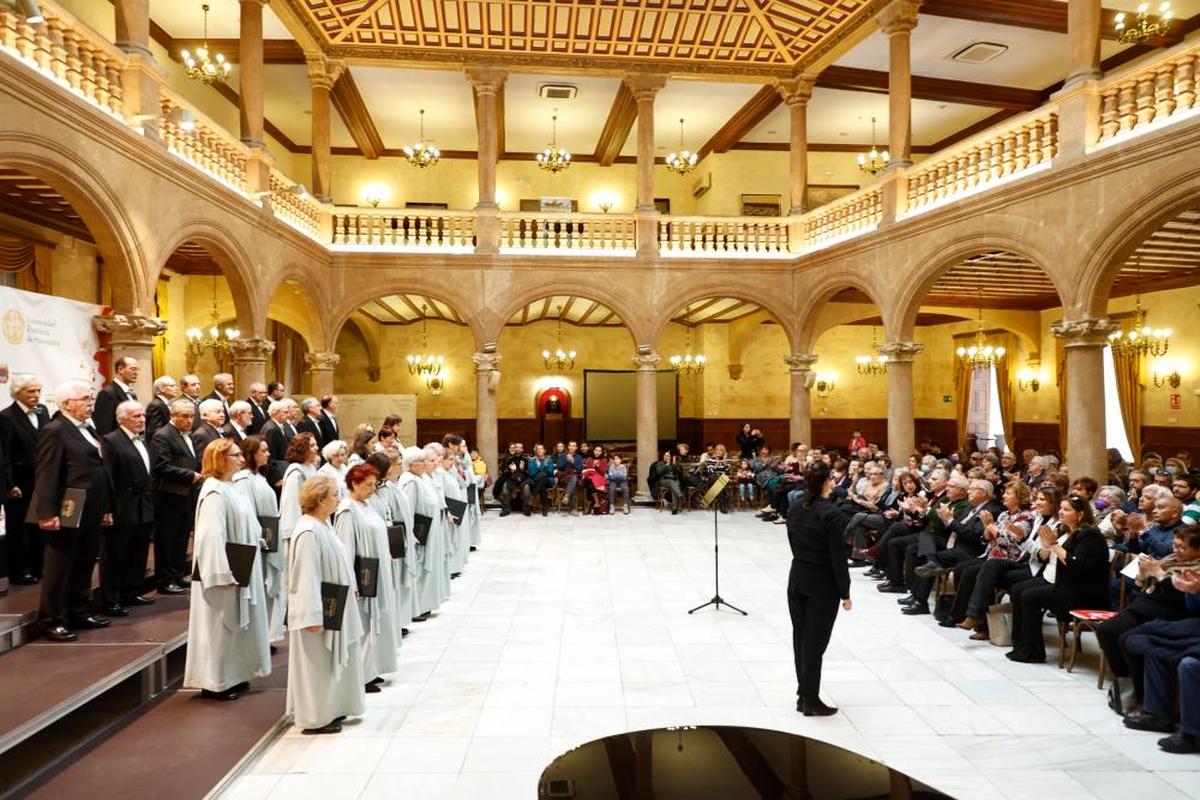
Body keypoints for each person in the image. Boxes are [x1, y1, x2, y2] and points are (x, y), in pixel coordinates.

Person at [184, 437, 271, 701]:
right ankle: (215, 681)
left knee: (236, 627)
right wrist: (219, 572)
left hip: (242, 563)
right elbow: (210, 536)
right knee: (220, 626)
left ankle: (234, 674)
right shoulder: (213, 491)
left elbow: (248, 521)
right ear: (220, 459)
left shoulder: (232, 487)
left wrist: (257, 538)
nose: (242, 459)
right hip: (225, 569)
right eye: (235, 455)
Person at [33, 380, 114, 641]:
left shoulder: (89, 427)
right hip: (68, 506)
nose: (90, 403)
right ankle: (51, 619)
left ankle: (79, 610)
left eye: (90, 399)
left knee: (85, 560)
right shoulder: (55, 429)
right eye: (85, 399)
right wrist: (47, 512)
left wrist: (105, 507)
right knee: (60, 564)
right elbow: (47, 473)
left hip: (91, 507)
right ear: (66, 403)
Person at [286, 475, 366, 735]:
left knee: (331, 662)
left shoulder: (324, 525)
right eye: (334, 494)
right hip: (320, 611)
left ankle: (333, 706)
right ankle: (316, 717)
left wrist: (352, 586)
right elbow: (306, 576)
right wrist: (311, 616)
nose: (338, 498)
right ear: (319, 500)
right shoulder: (308, 531)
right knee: (317, 665)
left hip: (335, 604)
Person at [1006, 494, 1109, 663]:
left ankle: (1033, 653)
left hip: (1081, 591)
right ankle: (1020, 646)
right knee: (1018, 589)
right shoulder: (1064, 531)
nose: (1060, 512)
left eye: (1066, 509)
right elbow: (1046, 557)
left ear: (1080, 514)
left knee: (1029, 596)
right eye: (1060, 508)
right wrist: (1041, 544)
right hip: (1062, 582)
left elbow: (1076, 565)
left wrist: (1053, 544)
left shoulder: (1090, 536)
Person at [786, 460, 851, 716]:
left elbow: (792, 542)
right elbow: (838, 557)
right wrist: (845, 592)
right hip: (822, 583)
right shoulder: (832, 514)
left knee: (800, 638)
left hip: (798, 575)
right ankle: (810, 699)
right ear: (826, 482)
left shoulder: (794, 507)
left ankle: (804, 693)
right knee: (815, 644)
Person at [334, 464, 398, 693]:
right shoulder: (347, 511)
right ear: (354, 483)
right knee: (364, 622)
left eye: (375, 484)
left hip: (378, 572)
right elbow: (345, 549)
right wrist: (351, 581)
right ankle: (361, 674)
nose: (373, 489)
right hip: (363, 576)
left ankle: (372, 668)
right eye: (368, 485)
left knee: (375, 623)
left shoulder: (366, 505)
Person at [99, 400, 156, 616]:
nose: (142, 419)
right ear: (121, 419)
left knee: (138, 552)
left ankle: (131, 591)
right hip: (122, 506)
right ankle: (111, 599)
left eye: (143, 416)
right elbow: (108, 477)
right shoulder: (111, 441)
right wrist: (108, 509)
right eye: (136, 416)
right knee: (116, 554)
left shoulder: (143, 440)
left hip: (143, 505)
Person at [1, 373, 50, 584]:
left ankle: (39, 566)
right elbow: (4, 454)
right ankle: (19, 571)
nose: (36, 395)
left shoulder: (43, 412)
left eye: (38, 391)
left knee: (40, 525)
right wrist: (9, 484)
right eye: (31, 391)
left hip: (42, 479)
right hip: (20, 481)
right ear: (17, 393)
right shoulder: (6, 417)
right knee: (19, 528)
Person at [150, 398, 202, 595]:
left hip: (185, 494)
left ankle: (178, 575)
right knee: (167, 539)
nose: (189, 420)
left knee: (181, 537)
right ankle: (165, 580)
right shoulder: (162, 435)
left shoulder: (186, 435)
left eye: (192, 416)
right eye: (185, 416)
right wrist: (191, 475)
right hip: (168, 496)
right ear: (173, 416)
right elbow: (161, 466)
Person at [234, 436, 283, 642]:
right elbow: (248, 513)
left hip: (268, 538)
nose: (268, 454)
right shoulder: (244, 480)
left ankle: (266, 634)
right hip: (259, 541)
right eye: (264, 450)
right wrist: (262, 537)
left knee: (267, 588)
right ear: (252, 454)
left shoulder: (259, 478)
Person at [93, 356, 140, 435]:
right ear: (120, 370)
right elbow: (104, 428)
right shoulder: (107, 393)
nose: (136, 373)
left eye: (137, 370)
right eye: (133, 369)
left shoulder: (132, 394)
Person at [144, 375, 178, 442]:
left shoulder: (166, 404)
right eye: (172, 386)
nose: (176, 388)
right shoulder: (156, 405)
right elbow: (154, 431)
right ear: (162, 389)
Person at [527, 443, 556, 516]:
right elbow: (531, 474)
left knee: (542, 478)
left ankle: (533, 496)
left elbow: (550, 472)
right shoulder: (532, 460)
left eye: (541, 449)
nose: (539, 450)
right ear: (536, 451)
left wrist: (539, 468)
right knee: (542, 486)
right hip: (536, 481)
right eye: (538, 449)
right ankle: (545, 507)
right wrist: (542, 467)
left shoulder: (549, 460)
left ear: (544, 450)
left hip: (548, 481)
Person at [583, 445, 610, 514]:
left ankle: (589, 507)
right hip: (588, 478)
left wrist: (597, 467)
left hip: (599, 479)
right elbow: (588, 469)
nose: (597, 452)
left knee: (591, 484)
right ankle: (596, 502)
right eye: (596, 450)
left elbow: (602, 472)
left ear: (601, 452)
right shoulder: (589, 459)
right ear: (593, 451)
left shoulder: (604, 460)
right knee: (590, 481)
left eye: (599, 451)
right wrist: (593, 466)